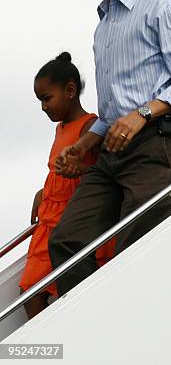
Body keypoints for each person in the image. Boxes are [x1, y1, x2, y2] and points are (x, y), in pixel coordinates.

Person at [48, 0, 171, 296]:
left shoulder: (163, 6)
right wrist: (84, 145)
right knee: (66, 243)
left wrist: (143, 114)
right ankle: (100, 318)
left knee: (138, 248)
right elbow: (111, 109)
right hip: (112, 153)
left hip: (159, 142)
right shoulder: (103, 27)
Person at [19, 52, 113, 318]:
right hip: (49, 215)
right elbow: (56, 170)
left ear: (70, 91)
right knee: (30, 289)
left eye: (47, 98)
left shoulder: (91, 126)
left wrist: (78, 170)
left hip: (70, 216)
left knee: (59, 285)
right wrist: (43, 191)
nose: (43, 106)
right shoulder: (60, 128)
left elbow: (100, 171)